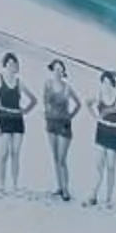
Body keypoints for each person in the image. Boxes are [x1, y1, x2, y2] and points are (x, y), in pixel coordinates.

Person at [0, 54, 30, 196]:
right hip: (3, 119)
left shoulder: (20, 82)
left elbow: (33, 99)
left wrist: (25, 110)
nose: (12, 65)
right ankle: (1, 186)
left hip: (18, 120)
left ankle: (15, 185)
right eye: (10, 63)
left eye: (14, 63)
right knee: (3, 154)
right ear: (5, 64)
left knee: (15, 153)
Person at [41, 60, 79, 200]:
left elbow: (78, 104)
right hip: (51, 124)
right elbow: (45, 102)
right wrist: (46, 114)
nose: (58, 72)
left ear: (63, 72)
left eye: (60, 69)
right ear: (52, 70)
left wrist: (70, 116)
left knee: (62, 159)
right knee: (55, 158)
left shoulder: (67, 87)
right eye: (56, 69)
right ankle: (59, 187)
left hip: (64, 125)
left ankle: (66, 189)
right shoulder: (47, 84)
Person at [90, 73, 116, 208]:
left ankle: (109, 198)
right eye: (104, 82)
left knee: (111, 168)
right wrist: (95, 117)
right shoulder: (99, 96)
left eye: (109, 83)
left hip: (113, 136)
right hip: (101, 134)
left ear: (113, 84)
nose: (106, 85)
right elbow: (87, 103)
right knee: (99, 166)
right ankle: (93, 195)